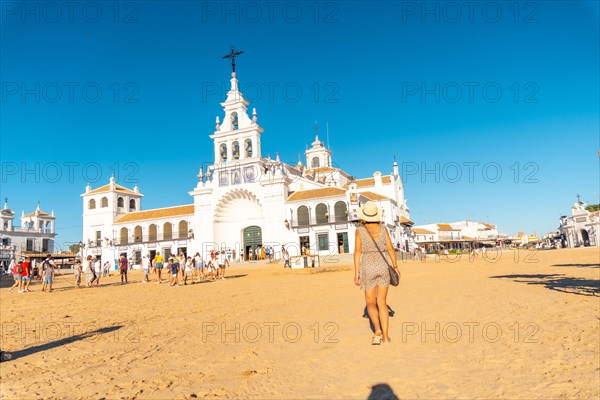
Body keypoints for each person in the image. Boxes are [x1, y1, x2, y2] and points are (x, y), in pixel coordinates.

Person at [353, 201, 400, 345]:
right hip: (383, 265)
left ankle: (377, 331)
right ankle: (386, 338)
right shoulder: (383, 228)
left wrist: (356, 273)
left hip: (368, 266)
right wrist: (395, 266)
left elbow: (357, 251)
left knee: (370, 302)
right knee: (382, 302)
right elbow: (391, 248)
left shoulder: (360, 230)